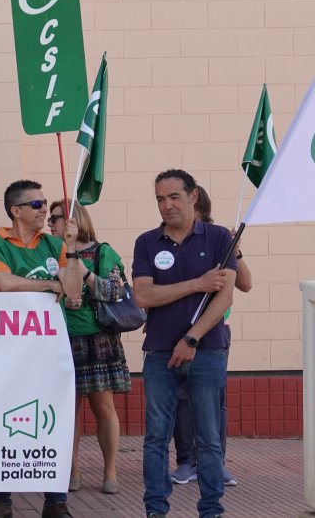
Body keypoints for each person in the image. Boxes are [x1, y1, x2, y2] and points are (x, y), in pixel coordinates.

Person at [0, 180, 83, 518]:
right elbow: (4, 284)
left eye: (45, 203)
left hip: (49, 349)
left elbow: (75, 292)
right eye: (36, 204)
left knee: (55, 421)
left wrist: (73, 249)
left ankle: (55, 501)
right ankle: (1, 501)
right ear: (16, 210)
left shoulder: (54, 243)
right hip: (4, 349)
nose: (44, 210)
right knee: (0, 422)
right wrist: (51, 284)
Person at [132, 169, 236, 518]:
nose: (166, 205)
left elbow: (224, 298)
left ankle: (211, 511)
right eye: (160, 199)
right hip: (159, 352)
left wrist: (191, 338)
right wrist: (196, 284)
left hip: (206, 352)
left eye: (174, 197)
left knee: (208, 438)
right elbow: (144, 294)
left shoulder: (219, 237)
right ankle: (156, 510)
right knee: (155, 438)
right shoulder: (147, 242)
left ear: (193, 196)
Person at [170, 185, 251, 488]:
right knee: (181, 398)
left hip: (215, 333)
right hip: (177, 331)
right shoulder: (172, 239)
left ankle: (215, 463)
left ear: (198, 206)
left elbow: (246, 284)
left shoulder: (218, 238)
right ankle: (185, 461)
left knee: (216, 400)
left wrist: (236, 250)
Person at [46, 201, 129, 495]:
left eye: (55, 218)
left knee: (103, 407)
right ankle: (73, 470)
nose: (50, 224)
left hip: (96, 338)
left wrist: (86, 274)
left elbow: (116, 291)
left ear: (74, 221)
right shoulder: (51, 253)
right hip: (60, 337)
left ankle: (110, 471)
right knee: (69, 410)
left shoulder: (102, 252)